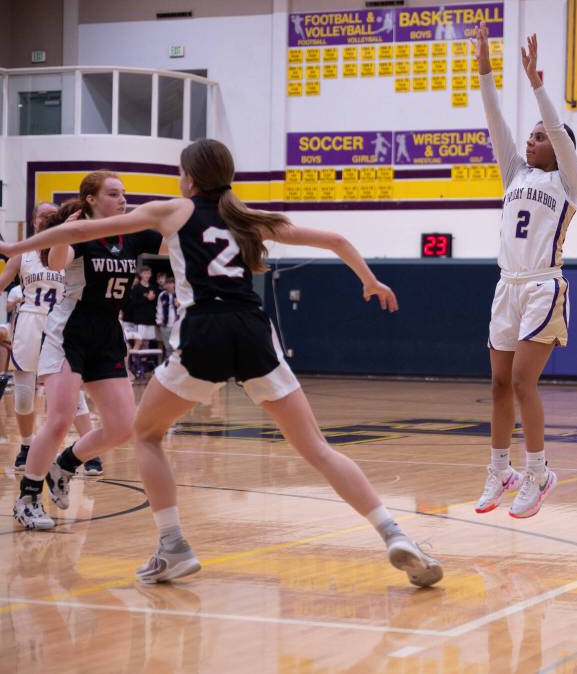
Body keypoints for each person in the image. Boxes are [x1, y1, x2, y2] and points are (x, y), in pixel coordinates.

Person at [0, 139, 443, 588]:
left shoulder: (173, 211)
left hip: (205, 331)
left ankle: (172, 546)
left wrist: (16, 245)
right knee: (317, 449)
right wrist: (370, 280)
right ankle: (393, 531)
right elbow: (336, 240)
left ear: (189, 178)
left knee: (146, 434)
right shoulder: (249, 219)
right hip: (253, 329)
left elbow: (74, 234)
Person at [472, 24, 577, 518]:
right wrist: (485, 70)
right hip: (507, 286)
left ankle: (539, 473)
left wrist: (538, 86)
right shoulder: (515, 173)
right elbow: (495, 119)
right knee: (497, 385)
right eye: (532, 135)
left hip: (543, 285)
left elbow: (558, 132)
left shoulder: (569, 180)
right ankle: (501, 469)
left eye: (541, 136)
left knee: (522, 381)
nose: (533, 139)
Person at [11, 172, 163, 531]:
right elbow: (56, 263)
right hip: (70, 330)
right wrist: (66, 232)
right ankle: (28, 497)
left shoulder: (135, 232)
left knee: (123, 427)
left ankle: (66, 462)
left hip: (108, 332)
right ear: (92, 199)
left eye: (124, 193)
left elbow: (175, 243)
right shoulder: (81, 232)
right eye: (113, 194)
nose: (122, 199)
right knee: (60, 418)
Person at [0, 203, 94, 473]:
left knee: (71, 389)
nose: (46, 218)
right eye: (42, 214)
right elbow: (3, 282)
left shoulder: (69, 250)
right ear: (34, 219)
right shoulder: (24, 252)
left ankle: (87, 450)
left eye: (52, 215)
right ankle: (26, 446)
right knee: (24, 396)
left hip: (61, 324)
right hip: (29, 322)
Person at [155, 277, 179, 353]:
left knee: (176, 346)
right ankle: (168, 362)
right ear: (164, 285)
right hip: (165, 324)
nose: (169, 285)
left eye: (170, 283)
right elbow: (159, 308)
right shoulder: (161, 295)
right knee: (167, 347)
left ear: (174, 284)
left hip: (176, 324)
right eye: (167, 284)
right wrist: (159, 321)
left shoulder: (178, 295)